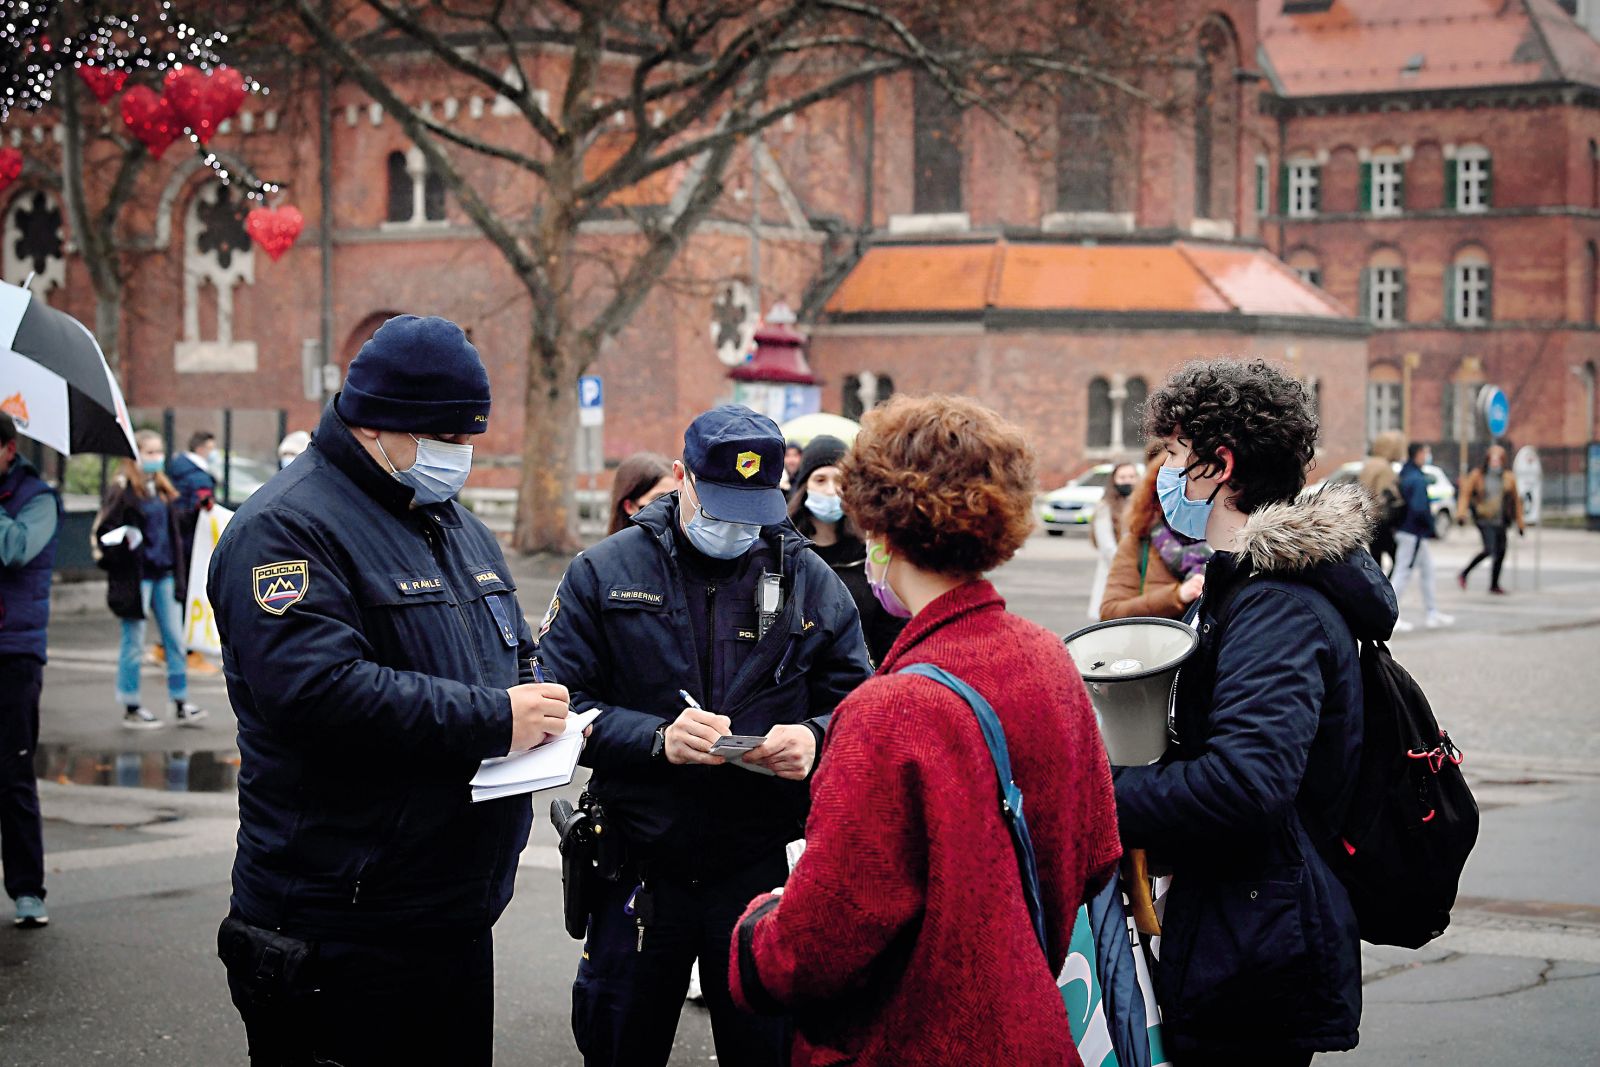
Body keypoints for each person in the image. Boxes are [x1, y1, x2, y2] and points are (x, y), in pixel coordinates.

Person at [209, 315, 571, 1067]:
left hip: (449, 913)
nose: (461, 457)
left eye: (469, 439)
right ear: (378, 425)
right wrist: (495, 717)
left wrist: (541, 705)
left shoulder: (453, 524)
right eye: (448, 439)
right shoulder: (285, 527)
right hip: (339, 923)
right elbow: (315, 692)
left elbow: (507, 652)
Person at [728, 394, 1121, 1064]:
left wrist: (756, 928)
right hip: (1033, 1025)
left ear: (878, 528)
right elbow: (1092, 852)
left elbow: (818, 944)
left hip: (908, 1040)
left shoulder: (889, 711)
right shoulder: (1050, 659)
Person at [537, 405, 873, 1067]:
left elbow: (862, 707)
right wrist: (656, 737)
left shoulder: (809, 578)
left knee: (766, 1048)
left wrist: (815, 736)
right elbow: (558, 707)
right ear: (680, 476)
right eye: (719, 506)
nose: (735, 527)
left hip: (756, 870)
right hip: (638, 866)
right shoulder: (604, 572)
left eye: (753, 510)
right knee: (620, 1041)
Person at [1111, 358, 1396, 1065]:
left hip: (1257, 942)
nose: (1163, 474)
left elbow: (1246, 782)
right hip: (1244, 924)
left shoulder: (1278, 604)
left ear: (1219, 464)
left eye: (1174, 455)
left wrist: (1100, 793)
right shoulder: (1251, 588)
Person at [95, 430, 207, 730]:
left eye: (159, 452)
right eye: (150, 452)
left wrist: (198, 510)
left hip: (165, 574)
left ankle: (180, 701)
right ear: (135, 456)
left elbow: (173, 528)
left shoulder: (161, 490)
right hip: (138, 577)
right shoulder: (123, 492)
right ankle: (131, 704)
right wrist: (125, 543)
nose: (156, 458)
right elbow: (105, 532)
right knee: (133, 642)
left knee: (174, 639)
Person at [0, 413, 60, 929]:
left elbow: (14, 549)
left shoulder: (38, 498)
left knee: (13, 773)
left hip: (13, 653)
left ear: (8, 448)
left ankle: (26, 890)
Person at [785, 434, 906, 664]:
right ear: (804, 487)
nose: (831, 491)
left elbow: (890, 631)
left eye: (839, 481)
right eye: (820, 480)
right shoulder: (788, 552)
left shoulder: (867, 555)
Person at [1100, 458, 1211, 621]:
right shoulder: (1139, 541)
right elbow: (1110, 611)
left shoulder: (1229, 545)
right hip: (1158, 644)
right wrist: (1177, 596)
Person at [1389, 442, 1453, 633]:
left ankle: (1432, 612)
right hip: (1413, 533)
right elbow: (1419, 508)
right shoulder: (1416, 478)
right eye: (1426, 452)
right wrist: (1430, 526)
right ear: (1417, 454)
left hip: (1410, 532)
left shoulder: (1406, 474)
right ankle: (1392, 616)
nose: (1428, 455)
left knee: (1427, 571)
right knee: (1402, 573)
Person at [1457, 444, 1525, 595]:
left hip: (1501, 520)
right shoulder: (1478, 475)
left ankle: (1494, 584)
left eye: (1498, 459)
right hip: (1484, 519)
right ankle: (1464, 573)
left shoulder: (1508, 478)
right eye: (1492, 459)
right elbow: (1465, 494)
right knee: (1489, 549)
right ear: (1487, 460)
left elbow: (1516, 501)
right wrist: (1461, 514)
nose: (1495, 462)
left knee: (1501, 552)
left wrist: (1520, 523)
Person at [1087, 461, 1139, 620]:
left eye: (1131, 476)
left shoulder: (1141, 504)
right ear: (1114, 480)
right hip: (1114, 574)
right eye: (1122, 477)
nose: (1127, 481)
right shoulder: (1105, 507)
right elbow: (1107, 547)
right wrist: (1130, 566)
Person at [1357, 430, 1406, 574]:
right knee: (1397, 558)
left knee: (1376, 557)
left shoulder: (1369, 464)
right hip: (1381, 519)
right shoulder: (1385, 467)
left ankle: (1377, 588)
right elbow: (1386, 495)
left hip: (1368, 518)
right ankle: (1386, 588)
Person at [607, 451, 675, 537]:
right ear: (629, 506)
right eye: (660, 497)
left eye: (677, 495)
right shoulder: (612, 549)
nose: (671, 504)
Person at [167, 430, 218, 512]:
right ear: (200, 449)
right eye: (211, 448)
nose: (214, 452)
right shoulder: (200, 477)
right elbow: (205, 506)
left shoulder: (179, 466)